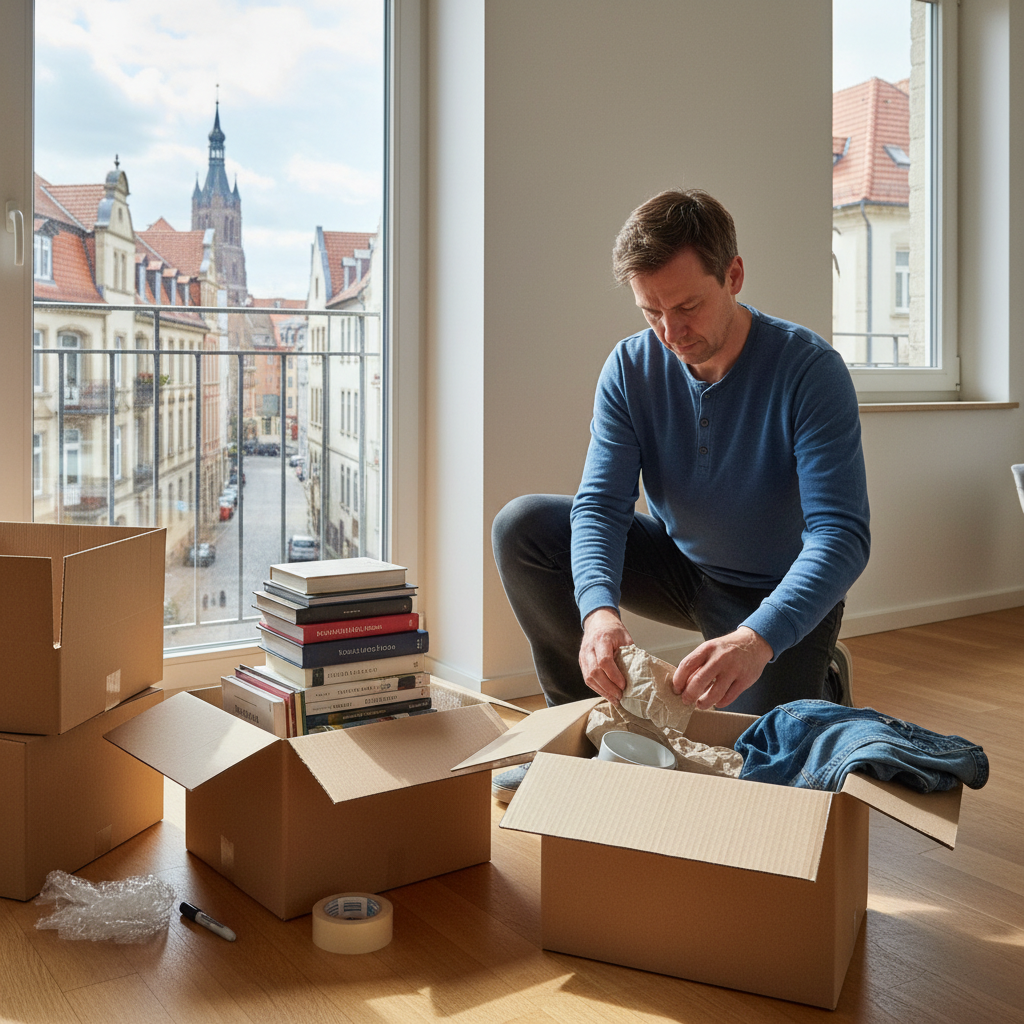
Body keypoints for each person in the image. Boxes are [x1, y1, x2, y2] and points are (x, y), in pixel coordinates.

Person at [491, 189, 870, 800]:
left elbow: (842, 538)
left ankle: (818, 679)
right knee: (524, 527)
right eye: (651, 312)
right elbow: (601, 506)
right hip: (683, 565)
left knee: (754, 773)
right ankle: (573, 741)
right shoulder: (630, 368)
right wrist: (597, 612)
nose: (672, 332)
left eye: (688, 306)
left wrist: (757, 639)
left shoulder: (810, 371)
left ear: (734, 275)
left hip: (775, 595)